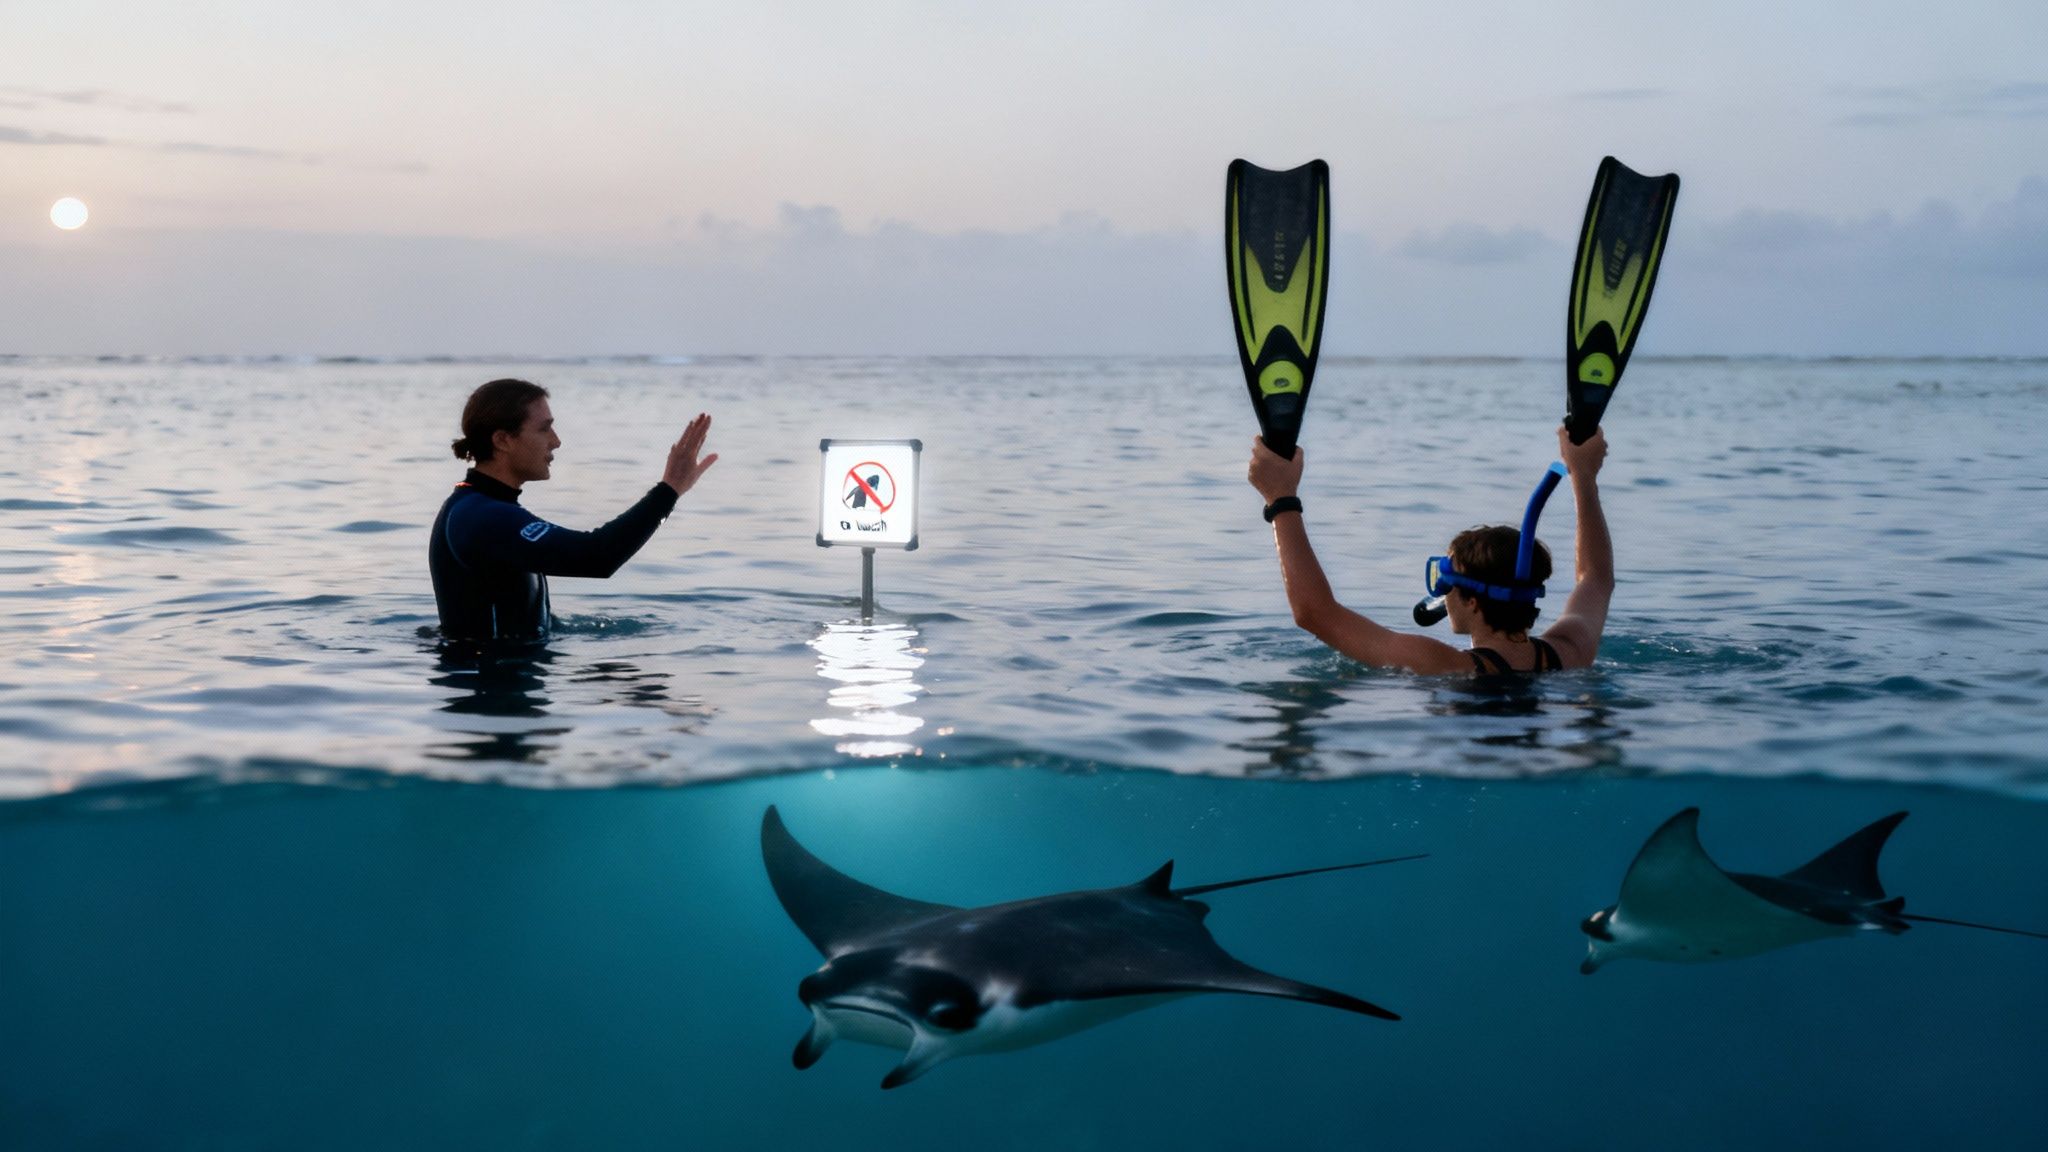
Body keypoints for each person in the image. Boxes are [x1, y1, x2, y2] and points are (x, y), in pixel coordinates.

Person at [1246, 425, 1613, 674]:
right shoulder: (1569, 653)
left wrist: (1280, 498)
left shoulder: (1443, 665)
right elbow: (1596, 580)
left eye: (1444, 579)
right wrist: (1584, 476)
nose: (1442, 594)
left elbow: (1315, 614)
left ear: (1471, 601)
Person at [429, 378, 718, 643]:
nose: (556, 441)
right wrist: (668, 491)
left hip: (507, 683)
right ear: (502, 440)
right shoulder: (481, 517)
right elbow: (595, 557)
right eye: (544, 428)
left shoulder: (480, 508)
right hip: (490, 690)